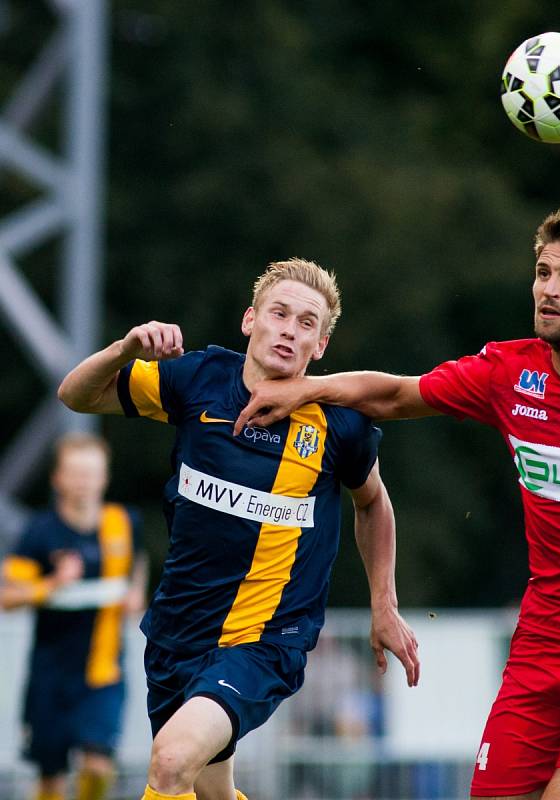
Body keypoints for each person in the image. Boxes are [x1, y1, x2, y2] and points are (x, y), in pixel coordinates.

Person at [234, 206, 560, 800]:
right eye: (542, 271)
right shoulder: (508, 372)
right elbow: (398, 395)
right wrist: (310, 387)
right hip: (544, 646)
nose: (548, 289)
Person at [57, 258, 420, 800]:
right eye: (280, 314)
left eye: (306, 323)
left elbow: (375, 503)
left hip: (265, 638)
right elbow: (77, 395)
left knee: (172, 759)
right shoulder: (198, 379)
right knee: (211, 790)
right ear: (251, 320)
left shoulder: (339, 423)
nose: (289, 330)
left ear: (319, 347)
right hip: (177, 630)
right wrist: (125, 348)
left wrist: (384, 605)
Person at [1, 432, 147, 800]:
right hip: (50, 676)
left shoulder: (123, 522)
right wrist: (51, 584)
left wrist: (136, 592)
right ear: (58, 480)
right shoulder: (39, 532)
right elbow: (7, 595)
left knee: (97, 766)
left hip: (103, 672)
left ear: (104, 478)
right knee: (51, 777)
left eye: (91, 474)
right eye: (76, 475)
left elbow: (139, 561)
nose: (84, 484)